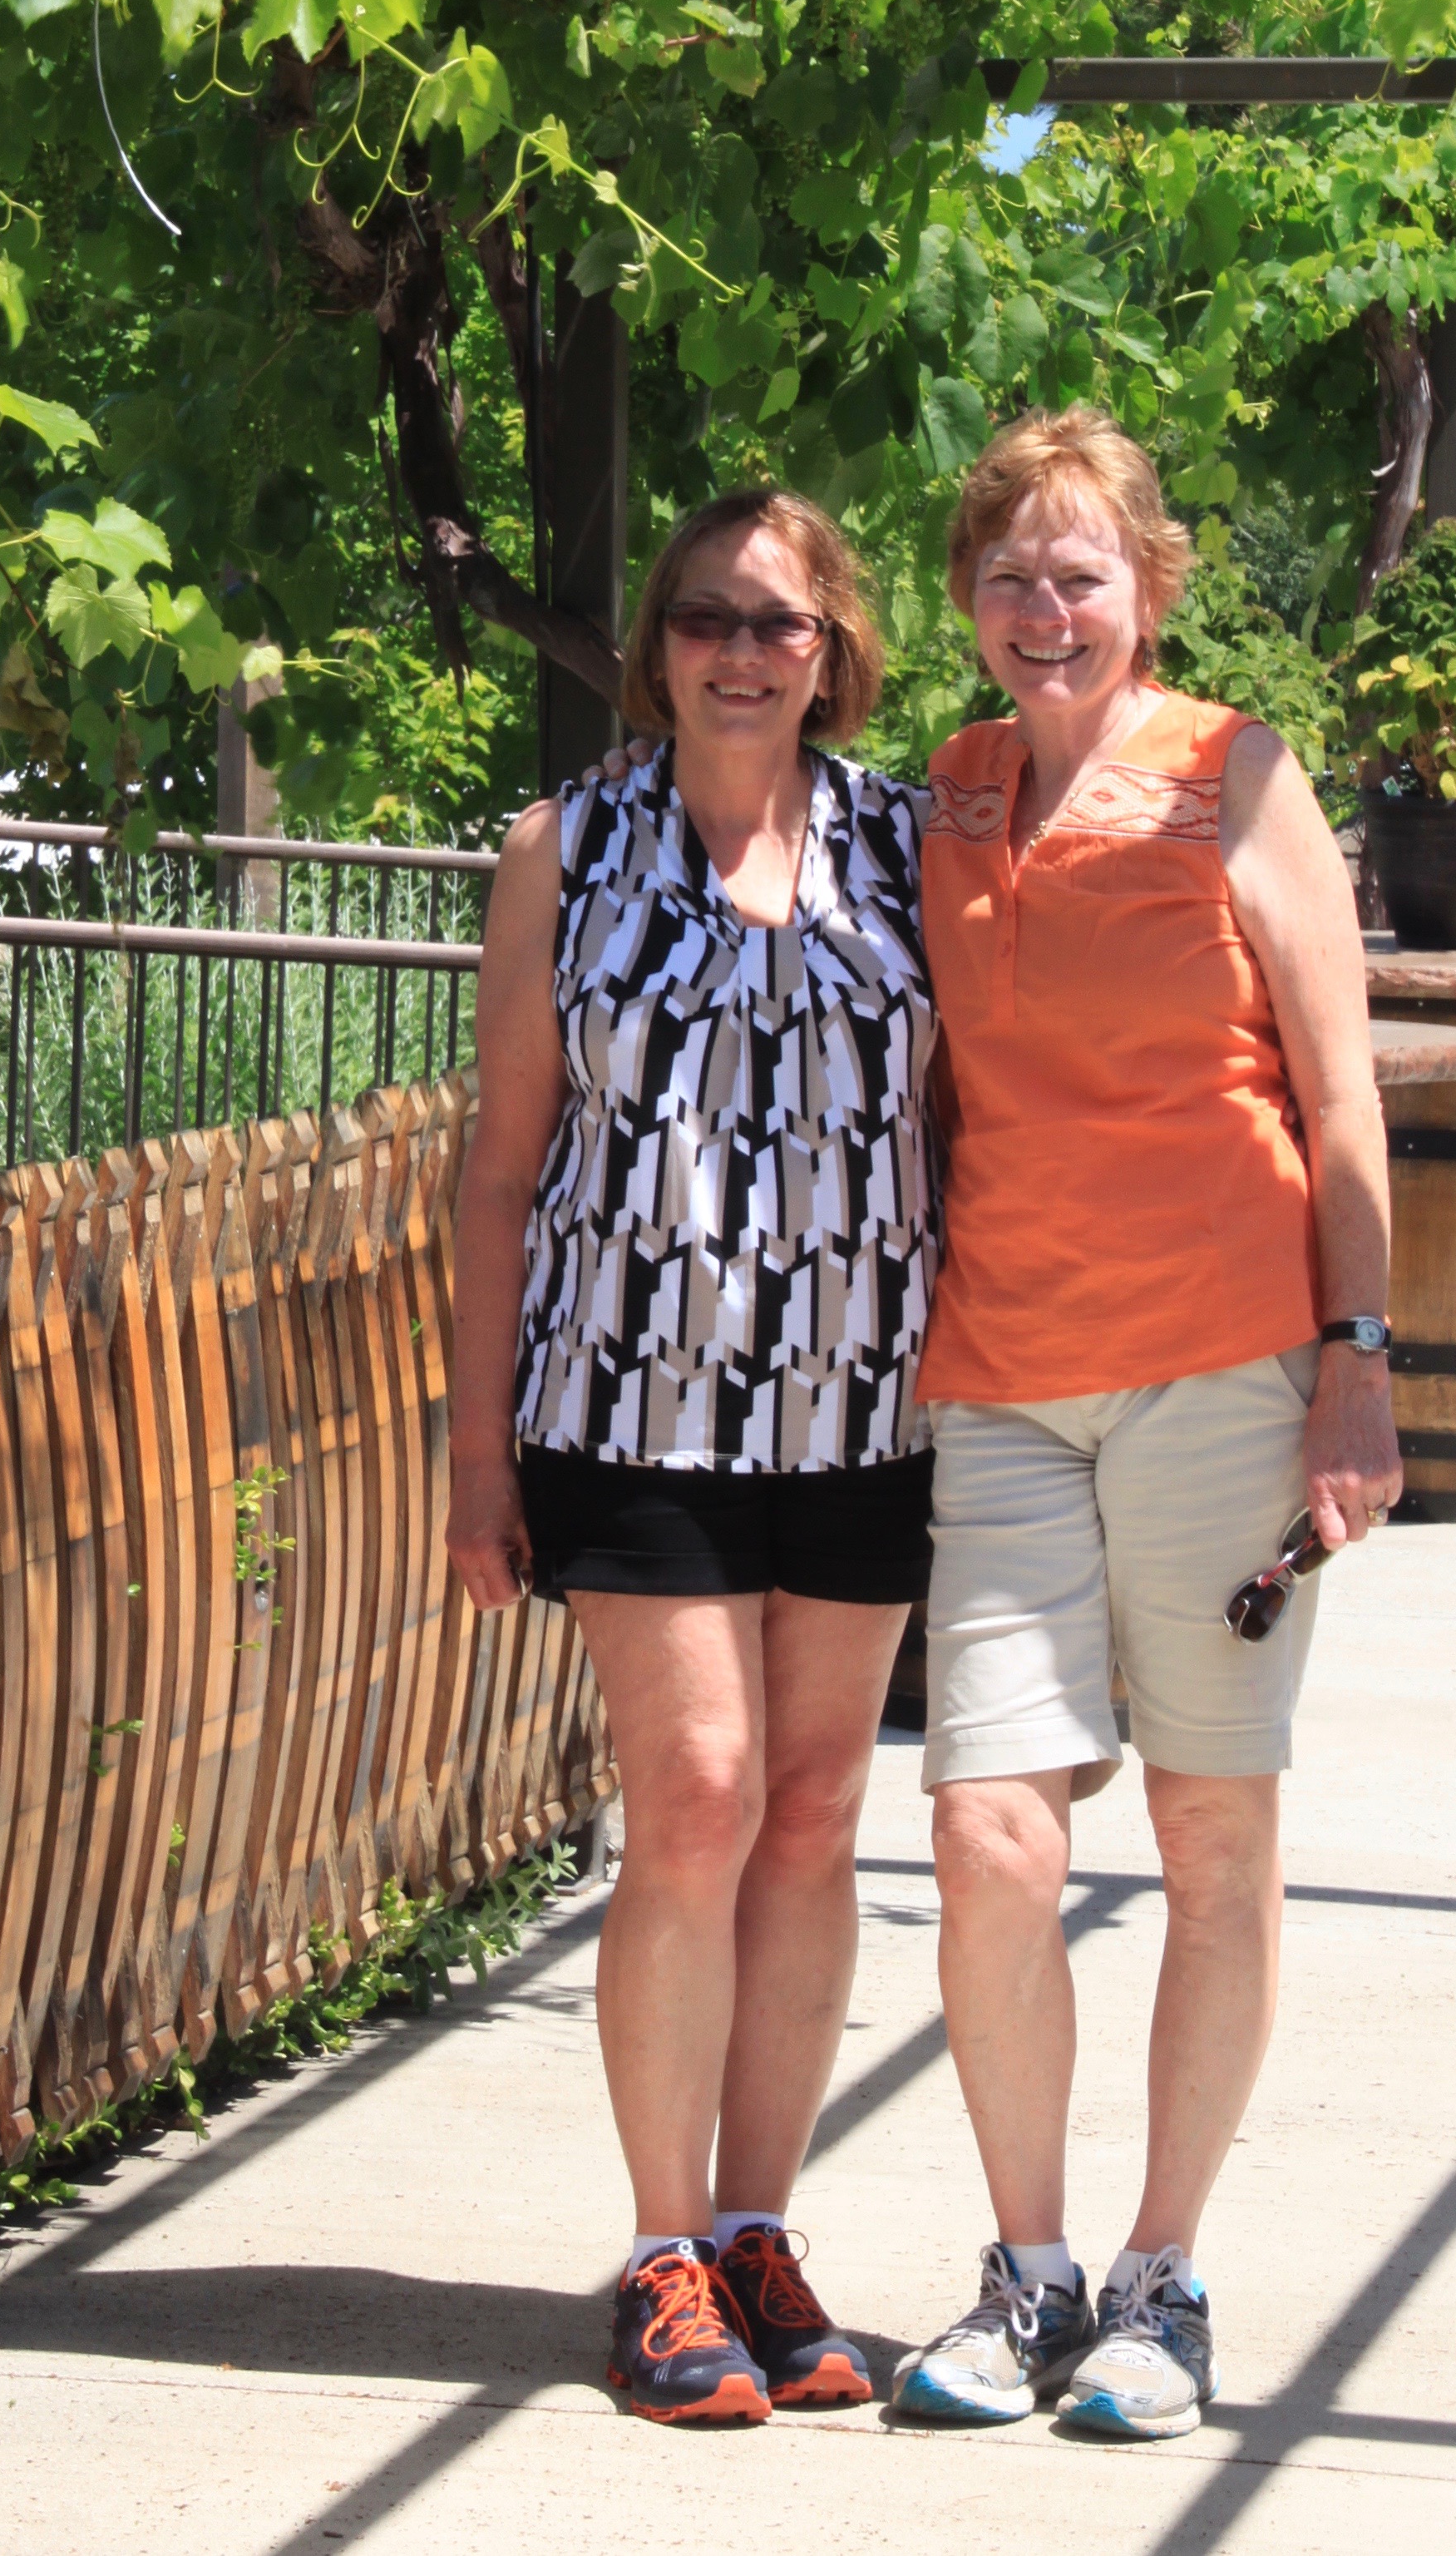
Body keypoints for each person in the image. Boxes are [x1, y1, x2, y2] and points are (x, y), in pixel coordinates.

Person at [891, 405, 1399, 2444]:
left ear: (1149, 588)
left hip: (1223, 1361)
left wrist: (1359, 1361)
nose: (1047, 608)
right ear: (968, 598)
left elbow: (1341, 1093)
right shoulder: (944, 793)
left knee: (1211, 1825)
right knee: (988, 1832)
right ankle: (1029, 2272)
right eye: (1011, 574)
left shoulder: (1235, 774)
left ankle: (1162, 2279)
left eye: (1081, 573)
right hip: (1004, 1371)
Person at [447, 487, 939, 2427]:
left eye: (780, 622)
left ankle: (756, 2230)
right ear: (656, 645)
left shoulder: (910, 845)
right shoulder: (563, 850)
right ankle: (661, 2250)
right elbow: (501, 1172)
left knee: (814, 1809)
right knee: (702, 1796)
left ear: (836, 651)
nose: (743, 652)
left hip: (861, 1403)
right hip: (629, 1398)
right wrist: (476, 1451)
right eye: (708, 618)